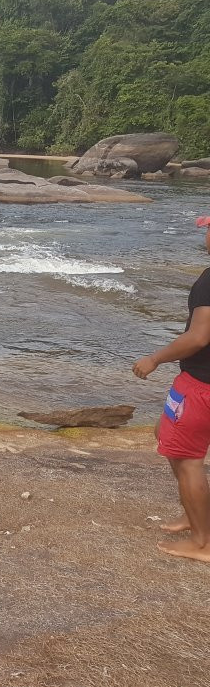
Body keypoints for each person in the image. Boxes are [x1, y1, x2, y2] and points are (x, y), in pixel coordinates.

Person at [132, 216, 210, 563]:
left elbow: (199, 337)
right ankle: (195, 513)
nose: (206, 235)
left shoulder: (208, 280)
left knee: (187, 459)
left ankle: (203, 542)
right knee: (163, 431)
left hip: (200, 384)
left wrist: (155, 359)